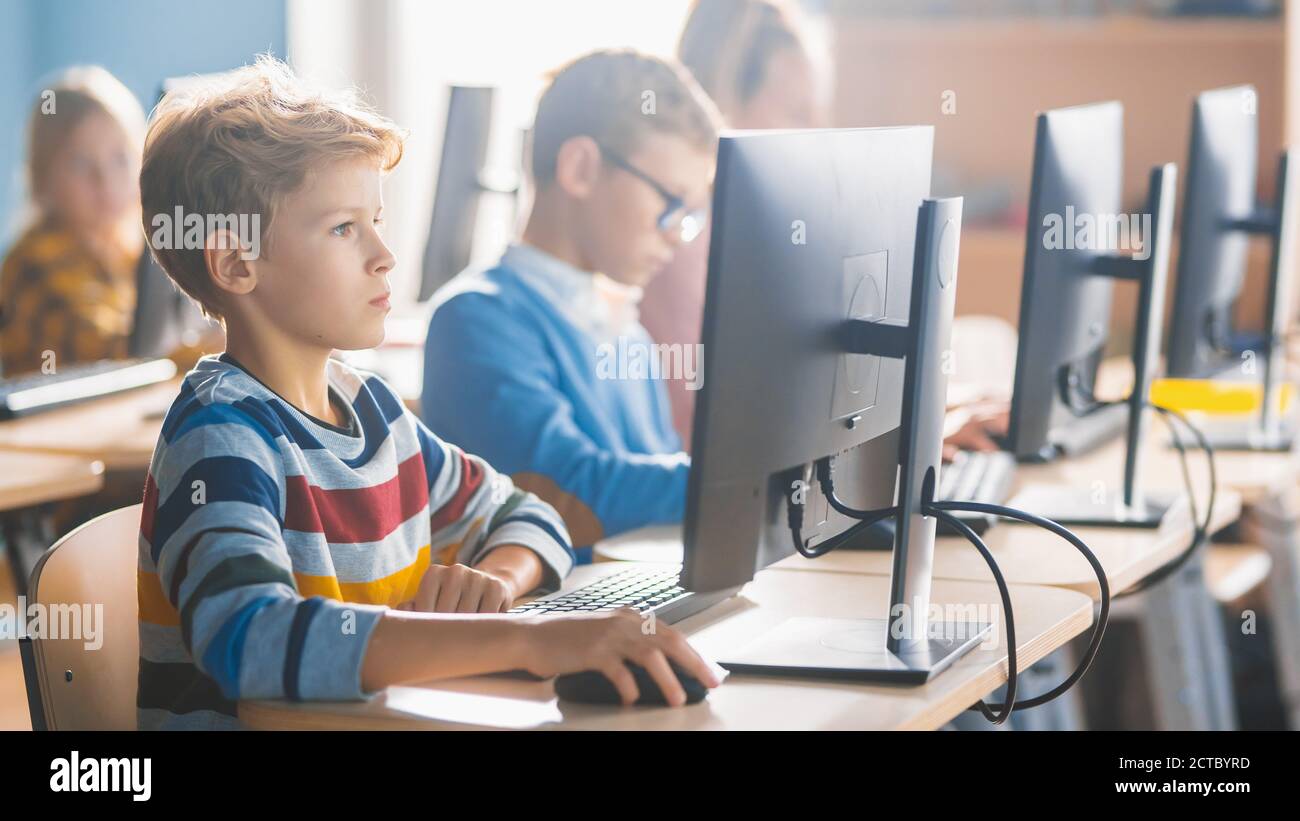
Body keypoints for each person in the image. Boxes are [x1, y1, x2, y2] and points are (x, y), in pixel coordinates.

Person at [136, 57, 717, 729]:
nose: (384, 253)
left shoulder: (376, 415)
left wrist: (499, 579)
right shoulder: (218, 437)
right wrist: (528, 639)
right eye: (343, 228)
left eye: (376, 220)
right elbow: (251, 638)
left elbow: (534, 515)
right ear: (236, 262)